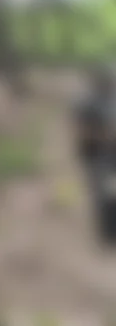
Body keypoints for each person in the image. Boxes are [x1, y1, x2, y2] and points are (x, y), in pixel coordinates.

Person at [75, 65, 116, 243]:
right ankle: (106, 234)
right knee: (103, 194)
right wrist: (102, 136)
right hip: (96, 154)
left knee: (111, 192)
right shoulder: (87, 103)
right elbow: (82, 131)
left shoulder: (110, 101)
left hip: (110, 154)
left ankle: (110, 231)